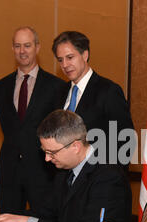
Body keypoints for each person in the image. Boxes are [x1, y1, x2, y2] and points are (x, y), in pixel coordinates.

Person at [0, 110, 132, 222]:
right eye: (44, 151)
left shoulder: (108, 176)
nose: (47, 159)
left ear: (75, 147)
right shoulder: (65, 170)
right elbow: (46, 213)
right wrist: (1, 218)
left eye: (52, 152)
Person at [0, 26, 68, 215]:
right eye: (17, 46)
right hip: (9, 173)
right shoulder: (0, 87)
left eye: (27, 45)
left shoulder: (57, 86)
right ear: (12, 49)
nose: (22, 51)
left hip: (43, 174)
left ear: (37, 47)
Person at [52, 31, 135, 170]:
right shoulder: (59, 93)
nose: (65, 64)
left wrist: (108, 178)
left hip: (99, 180)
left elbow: (125, 140)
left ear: (85, 55)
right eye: (60, 60)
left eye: (70, 57)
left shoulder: (109, 91)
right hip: (64, 181)